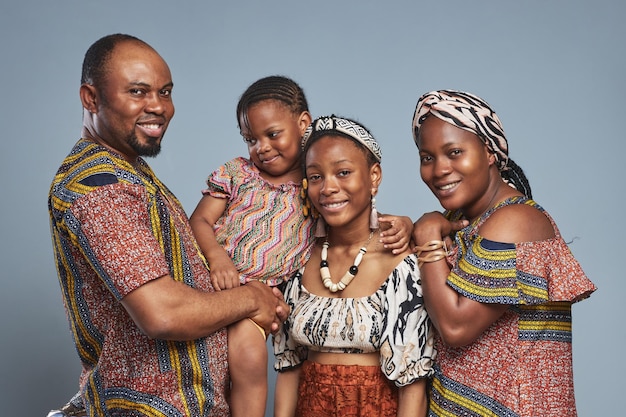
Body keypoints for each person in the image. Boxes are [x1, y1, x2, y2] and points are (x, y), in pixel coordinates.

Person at [47, 34, 288, 417]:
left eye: (165, 92)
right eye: (138, 92)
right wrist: (252, 298)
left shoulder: (127, 171)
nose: (158, 107)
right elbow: (163, 314)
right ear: (91, 98)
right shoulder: (101, 189)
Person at [189, 77, 414, 417]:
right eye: (251, 139)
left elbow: (359, 217)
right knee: (206, 371)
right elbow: (199, 221)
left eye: (272, 135)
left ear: (302, 124)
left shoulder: (311, 193)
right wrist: (218, 258)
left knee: (245, 357)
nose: (261, 147)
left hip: (261, 296)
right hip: (216, 280)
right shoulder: (242, 176)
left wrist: (412, 223)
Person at [410, 89, 597, 416]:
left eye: (454, 152)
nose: (439, 169)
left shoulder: (516, 221)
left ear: (489, 152)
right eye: (428, 157)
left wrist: (426, 236)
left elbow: (455, 328)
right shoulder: (460, 221)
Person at [273, 115, 437, 417]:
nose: (328, 188)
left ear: (374, 176)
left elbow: (413, 387)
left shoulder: (402, 265)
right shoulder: (297, 259)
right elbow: (289, 367)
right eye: (316, 176)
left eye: (343, 172)